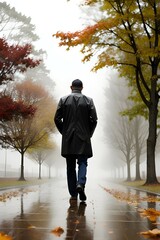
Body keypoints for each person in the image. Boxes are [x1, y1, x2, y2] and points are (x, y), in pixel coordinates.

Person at [54, 79, 97, 201]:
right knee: (83, 162)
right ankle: (81, 184)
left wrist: (64, 132)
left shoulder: (63, 100)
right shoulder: (89, 101)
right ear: (82, 87)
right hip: (83, 137)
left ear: (71, 87)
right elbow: (94, 119)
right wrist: (89, 133)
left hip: (69, 138)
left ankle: (73, 193)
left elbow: (57, 119)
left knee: (70, 166)